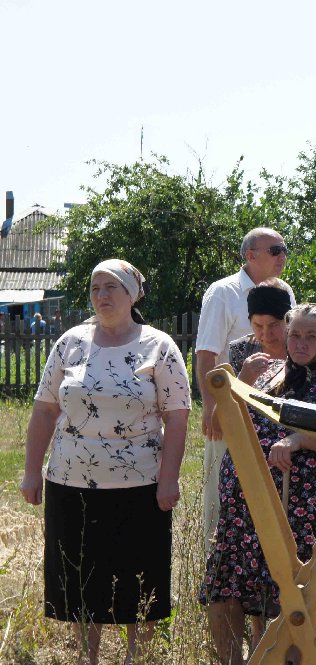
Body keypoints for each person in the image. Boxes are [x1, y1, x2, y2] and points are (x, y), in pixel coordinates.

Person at [20, 259, 191, 665]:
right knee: (81, 576)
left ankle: (136, 657)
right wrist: (31, 472)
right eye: (96, 288)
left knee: (139, 574)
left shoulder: (158, 346)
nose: (102, 295)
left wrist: (169, 479)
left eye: (111, 287)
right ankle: (88, 657)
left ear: (132, 294)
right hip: (71, 481)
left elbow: (178, 416)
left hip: (140, 483)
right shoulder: (71, 342)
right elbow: (44, 409)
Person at [202, 304, 316, 665]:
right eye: (295, 334)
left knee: (295, 596)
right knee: (225, 588)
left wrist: (300, 440)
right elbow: (221, 424)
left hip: (304, 510)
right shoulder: (268, 373)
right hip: (244, 508)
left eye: (311, 336)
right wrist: (241, 381)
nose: (301, 343)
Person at [195, 227, 294, 556]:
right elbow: (206, 354)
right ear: (250, 255)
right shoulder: (223, 292)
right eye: (275, 250)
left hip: (276, 410)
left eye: (284, 249)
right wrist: (212, 408)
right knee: (223, 487)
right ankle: (217, 560)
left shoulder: (285, 291)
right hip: (232, 405)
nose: (283, 256)